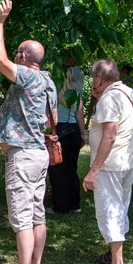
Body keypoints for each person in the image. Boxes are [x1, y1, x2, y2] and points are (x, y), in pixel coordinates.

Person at [0, 0, 57, 264]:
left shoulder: (28, 76)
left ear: (24, 56)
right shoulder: (48, 81)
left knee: (22, 218)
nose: (13, 55)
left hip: (23, 157)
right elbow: (50, 118)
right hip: (39, 154)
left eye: (17, 51)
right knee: (37, 213)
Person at [82, 59, 133, 264]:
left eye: (93, 76)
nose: (92, 80)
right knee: (120, 207)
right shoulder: (130, 93)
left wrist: (94, 171)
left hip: (111, 164)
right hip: (128, 161)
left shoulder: (109, 98)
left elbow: (110, 135)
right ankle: (113, 255)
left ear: (100, 78)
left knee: (109, 210)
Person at [47, 59, 86, 213]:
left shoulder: (53, 93)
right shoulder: (75, 93)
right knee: (71, 168)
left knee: (57, 170)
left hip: (58, 131)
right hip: (74, 131)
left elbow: (49, 116)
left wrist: (48, 134)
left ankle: (60, 206)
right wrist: (83, 135)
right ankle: (75, 204)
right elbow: (80, 116)